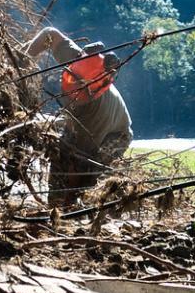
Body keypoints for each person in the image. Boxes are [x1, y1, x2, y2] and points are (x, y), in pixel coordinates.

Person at [22, 27, 133, 206]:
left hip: (115, 134)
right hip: (76, 118)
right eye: (72, 80)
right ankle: (55, 206)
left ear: (93, 91)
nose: (73, 89)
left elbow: (78, 161)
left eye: (80, 88)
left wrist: (69, 196)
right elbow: (50, 34)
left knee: (87, 176)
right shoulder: (78, 59)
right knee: (60, 158)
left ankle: (71, 209)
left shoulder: (95, 115)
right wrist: (22, 61)